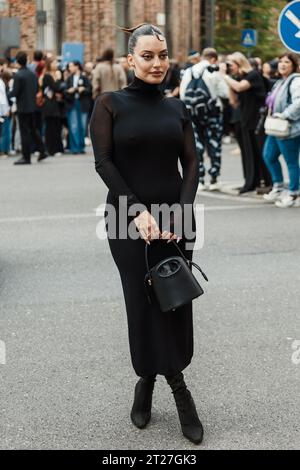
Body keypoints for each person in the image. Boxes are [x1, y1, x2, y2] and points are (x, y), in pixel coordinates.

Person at [90, 23, 204, 445]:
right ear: (130, 60)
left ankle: (162, 383)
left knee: (174, 301)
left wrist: (182, 210)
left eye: (162, 55)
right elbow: (104, 163)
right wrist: (137, 211)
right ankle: (163, 385)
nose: (157, 63)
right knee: (142, 302)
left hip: (176, 218)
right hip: (126, 217)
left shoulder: (177, 108)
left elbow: (191, 164)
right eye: (148, 56)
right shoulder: (109, 104)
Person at [220, 52, 271, 193]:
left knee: (261, 152)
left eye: (231, 64)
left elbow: (240, 87)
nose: (229, 67)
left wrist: (224, 76)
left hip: (257, 120)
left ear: (239, 63)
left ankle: (268, 182)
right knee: (249, 153)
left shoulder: (253, 75)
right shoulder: (239, 78)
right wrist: (228, 80)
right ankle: (252, 182)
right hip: (246, 119)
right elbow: (233, 102)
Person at [180, 47, 229, 191]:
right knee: (214, 144)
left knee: (196, 146)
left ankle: (199, 179)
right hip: (212, 113)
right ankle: (214, 178)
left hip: (193, 114)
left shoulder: (189, 71)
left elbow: (183, 94)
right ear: (214, 59)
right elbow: (225, 93)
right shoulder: (213, 71)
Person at [263, 53, 300, 208]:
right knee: (268, 156)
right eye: (280, 62)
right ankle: (278, 187)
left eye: (287, 62)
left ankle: (293, 193)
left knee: (291, 161)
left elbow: (299, 102)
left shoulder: (296, 80)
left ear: (293, 65)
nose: (283, 64)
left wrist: (285, 115)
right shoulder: (280, 82)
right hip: (275, 127)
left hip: (288, 128)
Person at [8, 51, 46, 165]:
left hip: (23, 107)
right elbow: (35, 89)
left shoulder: (18, 75)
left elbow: (14, 92)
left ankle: (26, 156)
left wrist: (8, 93)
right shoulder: (32, 74)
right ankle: (42, 150)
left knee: (25, 132)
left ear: (17, 62)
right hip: (32, 106)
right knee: (33, 130)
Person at [64, 61, 92, 154]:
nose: (69, 68)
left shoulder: (84, 78)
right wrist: (70, 91)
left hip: (82, 103)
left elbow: (89, 90)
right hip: (72, 103)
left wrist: (83, 89)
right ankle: (75, 147)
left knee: (83, 126)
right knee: (73, 125)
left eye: (71, 66)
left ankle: (81, 146)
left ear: (77, 67)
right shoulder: (69, 79)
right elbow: (65, 91)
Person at [39, 59, 64, 156]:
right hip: (49, 106)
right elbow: (56, 88)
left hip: (53, 105)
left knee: (56, 127)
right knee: (51, 128)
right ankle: (51, 149)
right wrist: (58, 79)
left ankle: (57, 148)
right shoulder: (48, 76)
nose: (56, 64)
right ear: (50, 65)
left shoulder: (51, 75)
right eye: (54, 63)